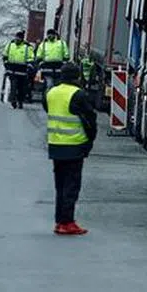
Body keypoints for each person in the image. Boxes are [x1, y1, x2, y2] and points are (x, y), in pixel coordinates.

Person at [43, 62, 97, 235]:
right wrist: (89, 141)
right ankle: (67, 222)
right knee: (71, 186)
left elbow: (47, 109)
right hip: (74, 145)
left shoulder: (50, 93)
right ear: (77, 76)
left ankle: (60, 221)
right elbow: (89, 120)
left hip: (55, 145)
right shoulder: (78, 94)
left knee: (60, 185)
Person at [2, 31, 33, 109]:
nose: (17, 39)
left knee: (21, 88)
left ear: (22, 39)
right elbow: (5, 55)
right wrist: (6, 65)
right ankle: (13, 101)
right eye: (16, 37)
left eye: (19, 38)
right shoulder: (10, 45)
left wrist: (29, 67)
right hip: (12, 70)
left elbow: (30, 58)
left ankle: (20, 101)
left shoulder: (27, 47)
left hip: (22, 71)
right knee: (13, 86)